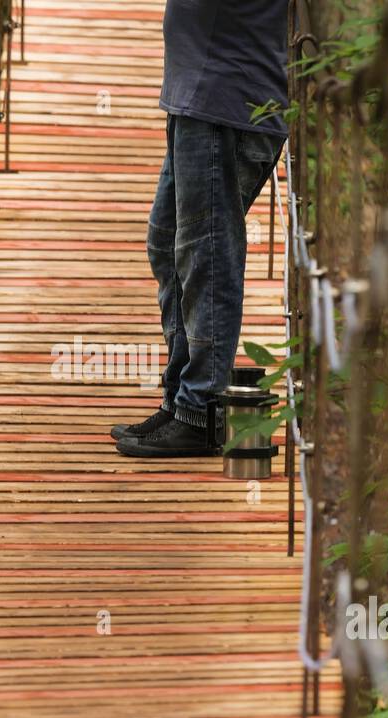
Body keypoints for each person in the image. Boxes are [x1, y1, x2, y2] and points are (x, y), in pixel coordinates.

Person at [113, 0, 288, 457]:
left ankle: (201, 410)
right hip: (201, 95)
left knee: (205, 255)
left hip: (228, 101)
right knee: (169, 247)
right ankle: (180, 400)